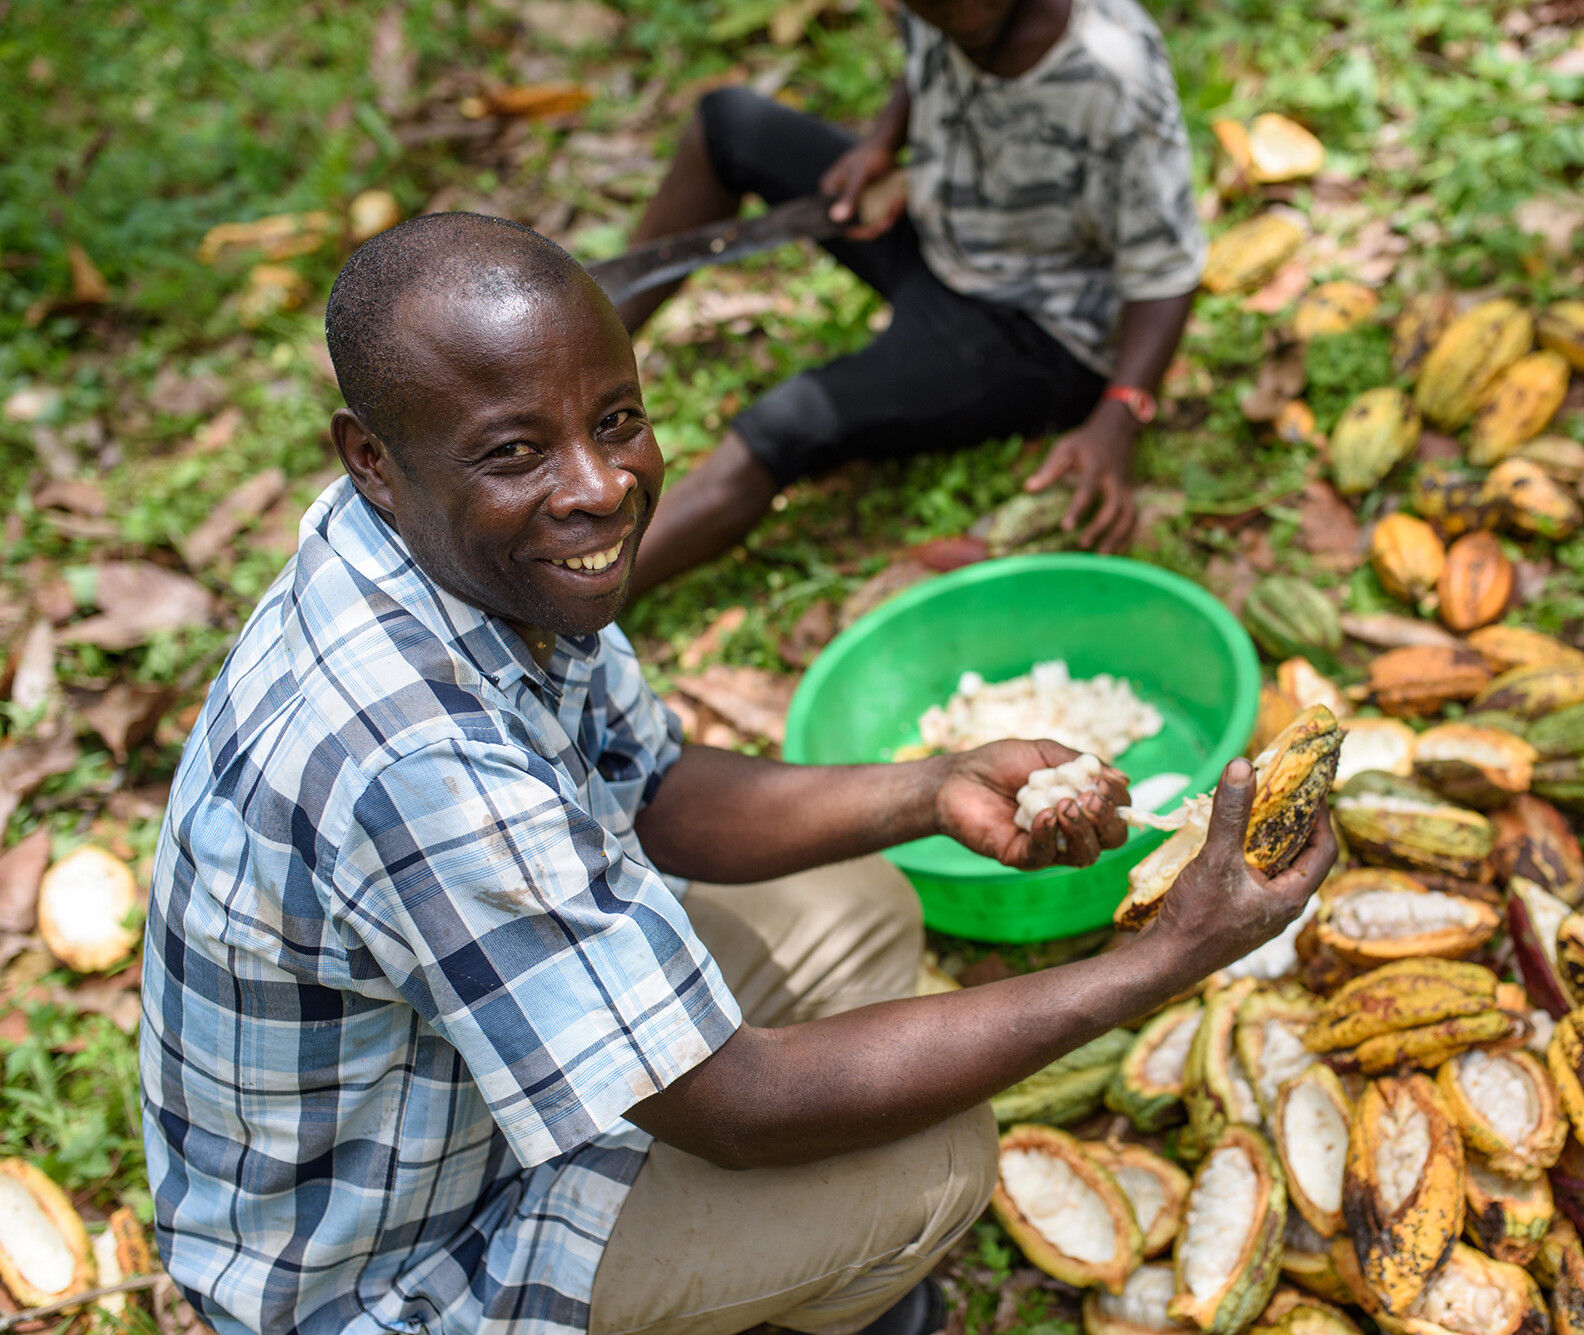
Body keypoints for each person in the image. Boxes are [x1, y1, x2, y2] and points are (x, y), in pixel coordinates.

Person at [139, 213, 1333, 1335]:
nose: (600, 487)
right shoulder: (414, 755)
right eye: (515, 451)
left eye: (615, 420)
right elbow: (739, 1109)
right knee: (933, 1165)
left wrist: (934, 787)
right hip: (397, 1262)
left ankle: (779, 1278)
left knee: (856, 904)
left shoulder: (462, 549)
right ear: (371, 457)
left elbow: (656, 790)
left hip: (469, 1098)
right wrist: (1161, 959)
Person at [616, 0, 1206, 591]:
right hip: (940, 227)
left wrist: (1119, 415)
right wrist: (881, 141)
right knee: (728, 123)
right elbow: (930, 57)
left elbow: (1169, 272)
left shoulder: (1113, 76)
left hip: (1034, 326)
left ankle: (580, 591)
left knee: (788, 422)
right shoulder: (946, 13)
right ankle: (588, 352)